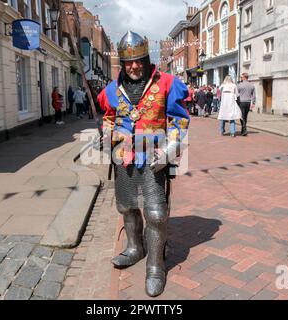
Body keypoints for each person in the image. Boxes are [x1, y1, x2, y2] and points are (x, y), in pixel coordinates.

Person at [97, 31, 190, 297]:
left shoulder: (167, 83)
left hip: (154, 157)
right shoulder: (113, 89)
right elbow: (109, 117)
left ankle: (155, 266)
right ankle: (135, 247)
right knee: (127, 206)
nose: (134, 66)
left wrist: (171, 149)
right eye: (128, 62)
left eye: (138, 60)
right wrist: (106, 134)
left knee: (156, 214)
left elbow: (180, 121)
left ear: (146, 58)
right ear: (123, 64)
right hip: (123, 155)